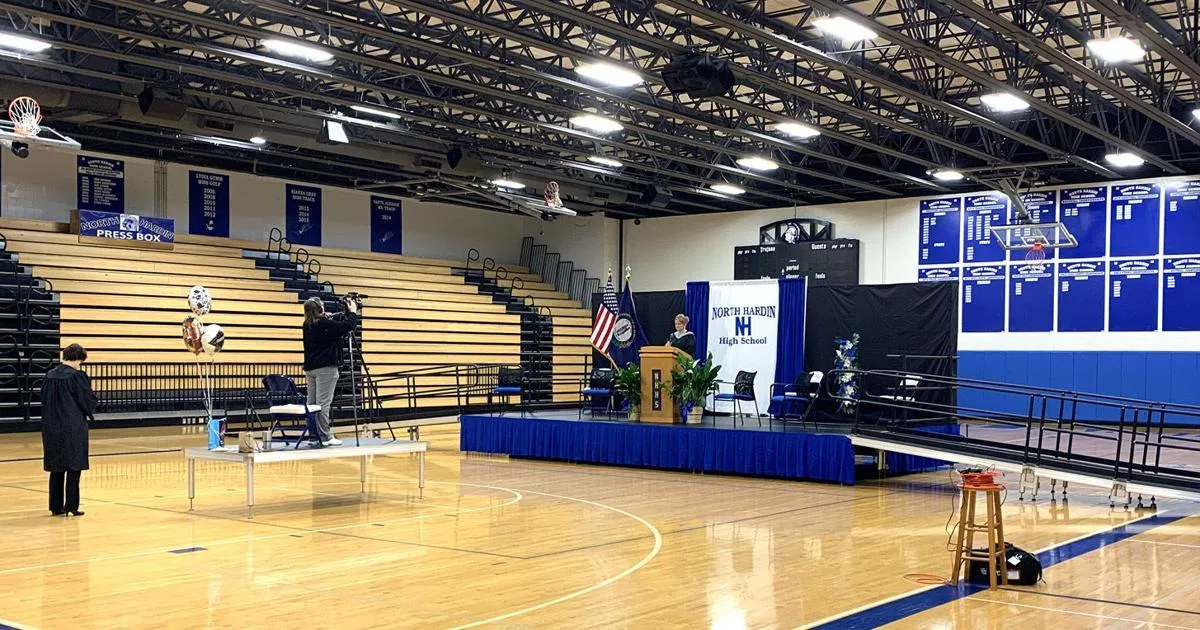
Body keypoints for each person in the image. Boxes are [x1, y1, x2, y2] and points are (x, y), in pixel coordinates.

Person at [41, 343, 97, 517]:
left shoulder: (49, 375)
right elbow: (86, 400)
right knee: (74, 466)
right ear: (80, 359)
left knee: (56, 467)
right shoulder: (77, 377)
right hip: (72, 426)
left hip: (51, 426)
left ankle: (55, 506)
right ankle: (71, 506)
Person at [302, 296, 359, 447]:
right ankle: (325, 436)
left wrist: (327, 317)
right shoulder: (324, 324)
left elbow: (327, 327)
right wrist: (353, 312)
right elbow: (347, 326)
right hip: (325, 368)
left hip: (311, 368)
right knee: (323, 403)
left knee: (312, 403)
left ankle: (313, 436)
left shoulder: (307, 325)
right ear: (320, 310)